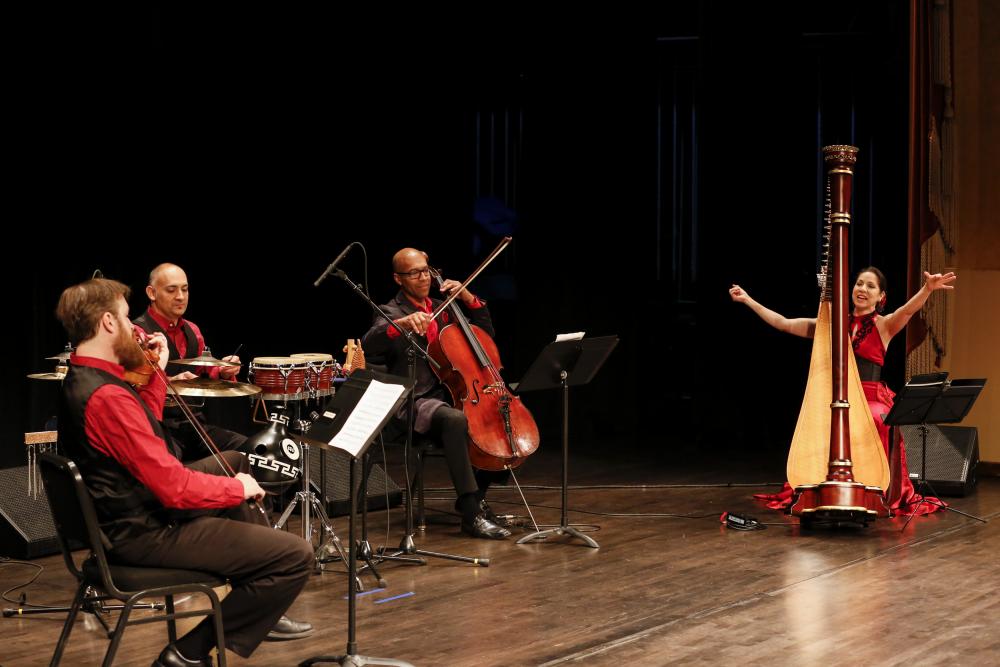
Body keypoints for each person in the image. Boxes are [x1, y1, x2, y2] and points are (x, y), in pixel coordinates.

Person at [55, 278, 314, 666]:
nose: (134, 330)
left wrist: (157, 374)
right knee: (295, 555)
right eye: (125, 319)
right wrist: (236, 490)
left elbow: (145, 435)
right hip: (145, 532)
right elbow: (173, 488)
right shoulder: (107, 396)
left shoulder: (85, 377)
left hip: (126, 517)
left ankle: (254, 587)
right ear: (108, 322)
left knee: (234, 460)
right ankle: (188, 653)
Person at [729, 267, 957, 516]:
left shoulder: (884, 325)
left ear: (881, 296)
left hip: (870, 396)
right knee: (823, 418)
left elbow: (908, 310)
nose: (862, 289)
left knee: (875, 419)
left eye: (870, 286)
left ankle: (873, 490)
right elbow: (783, 323)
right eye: (859, 283)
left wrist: (927, 289)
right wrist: (748, 300)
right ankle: (826, 487)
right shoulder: (831, 326)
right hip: (839, 396)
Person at [362, 248, 512, 539]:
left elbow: (484, 336)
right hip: (416, 401)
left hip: (452, 393)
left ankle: (478, 495)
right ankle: (471, 513)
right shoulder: (390, 312)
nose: (423, 278)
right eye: (414, 273)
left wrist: (468, 299)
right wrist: (402, 324)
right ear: (398, 278)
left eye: (426, 271)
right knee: (454, 419)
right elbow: (371, 341)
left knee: (501, 416)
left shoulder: (445, 307)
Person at [132, 263, 246, 461]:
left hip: (193, 425)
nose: (180, 296)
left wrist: (223, 371)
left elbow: (203, 374)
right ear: (152, 293)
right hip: (159, 428)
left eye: (184, 289)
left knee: (250, 448)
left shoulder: (193, 331)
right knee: (168, 464)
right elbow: (133, 387)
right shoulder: (138, 332)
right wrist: (171, 381)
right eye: (171, 290)